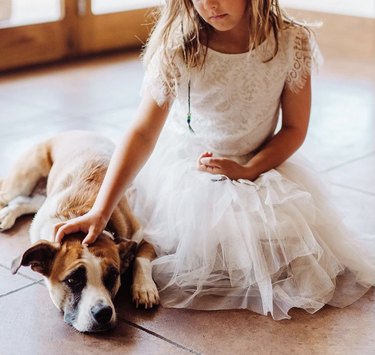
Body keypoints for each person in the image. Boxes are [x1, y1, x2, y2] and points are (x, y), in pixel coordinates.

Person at [55, 0, 375, 320]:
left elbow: (294, 128)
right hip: (194, 171)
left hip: (261, 163)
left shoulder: (292, 42)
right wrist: (101, 209)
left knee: (288, 243)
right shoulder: (178, 46)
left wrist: (249, 169)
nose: (209, 4)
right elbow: (142, 134)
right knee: (192, 245)